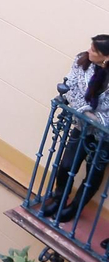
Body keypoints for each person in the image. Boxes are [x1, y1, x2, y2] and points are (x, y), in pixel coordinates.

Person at [41, 34, 109, 221]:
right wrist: (86, 113)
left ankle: (75, 208)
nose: (89, 51)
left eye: (94, 50)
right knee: (67, 165)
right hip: (82, 125)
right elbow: (70, 88)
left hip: (104, 136)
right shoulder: (81, 60)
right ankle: (58, 198)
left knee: (93, 173)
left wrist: (98, 119)